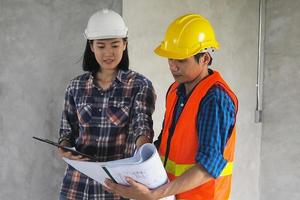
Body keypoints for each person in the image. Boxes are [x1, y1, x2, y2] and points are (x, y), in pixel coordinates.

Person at [105, 13, 238, 200]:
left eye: (181, 60)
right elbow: (168, 143)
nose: (173, 67)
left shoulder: (215, 100)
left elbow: (208, 167)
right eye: (170, 59)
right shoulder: (175, 90)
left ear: (205, 59)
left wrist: (154, 194)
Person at [57, 9, 156, 200]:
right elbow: (66, 133)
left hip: (116, 189)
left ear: (125, 44)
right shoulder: (76, 86)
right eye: (101, 46)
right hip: (76, 187)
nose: (108, 53)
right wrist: (64, 147)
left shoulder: (139, 85)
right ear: (91, 46)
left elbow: (141, 126)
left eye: (115, 45)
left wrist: (143, 151)